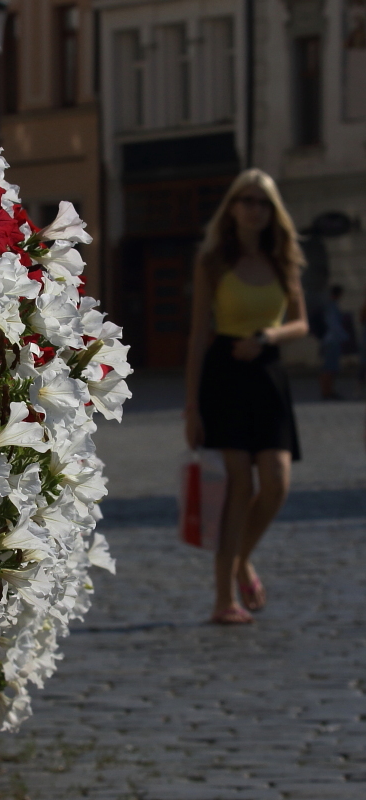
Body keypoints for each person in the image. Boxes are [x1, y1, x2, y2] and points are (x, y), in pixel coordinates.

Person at [185, 169, 309, 625]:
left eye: (263, 202)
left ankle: (240, 560)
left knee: (276, 481)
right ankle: (224, 599)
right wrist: (192, 406)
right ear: (233, 207)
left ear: (272, 211)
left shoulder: (283, 260)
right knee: (239, 482)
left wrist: (268, 336)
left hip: (267, 370)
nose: (255, 209)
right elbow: (198, 335)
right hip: (224, 372)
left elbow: (302, 322)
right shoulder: (213, 260)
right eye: (247, 200)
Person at [318, 285, 348, 400]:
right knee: (329, 367)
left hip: (329, 340)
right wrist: (345, 337)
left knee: (330, 367)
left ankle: (328, 391)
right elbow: (334, 325)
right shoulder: (331, 306)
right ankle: (327, 391)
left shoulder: (329, 305)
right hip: (332, 341)